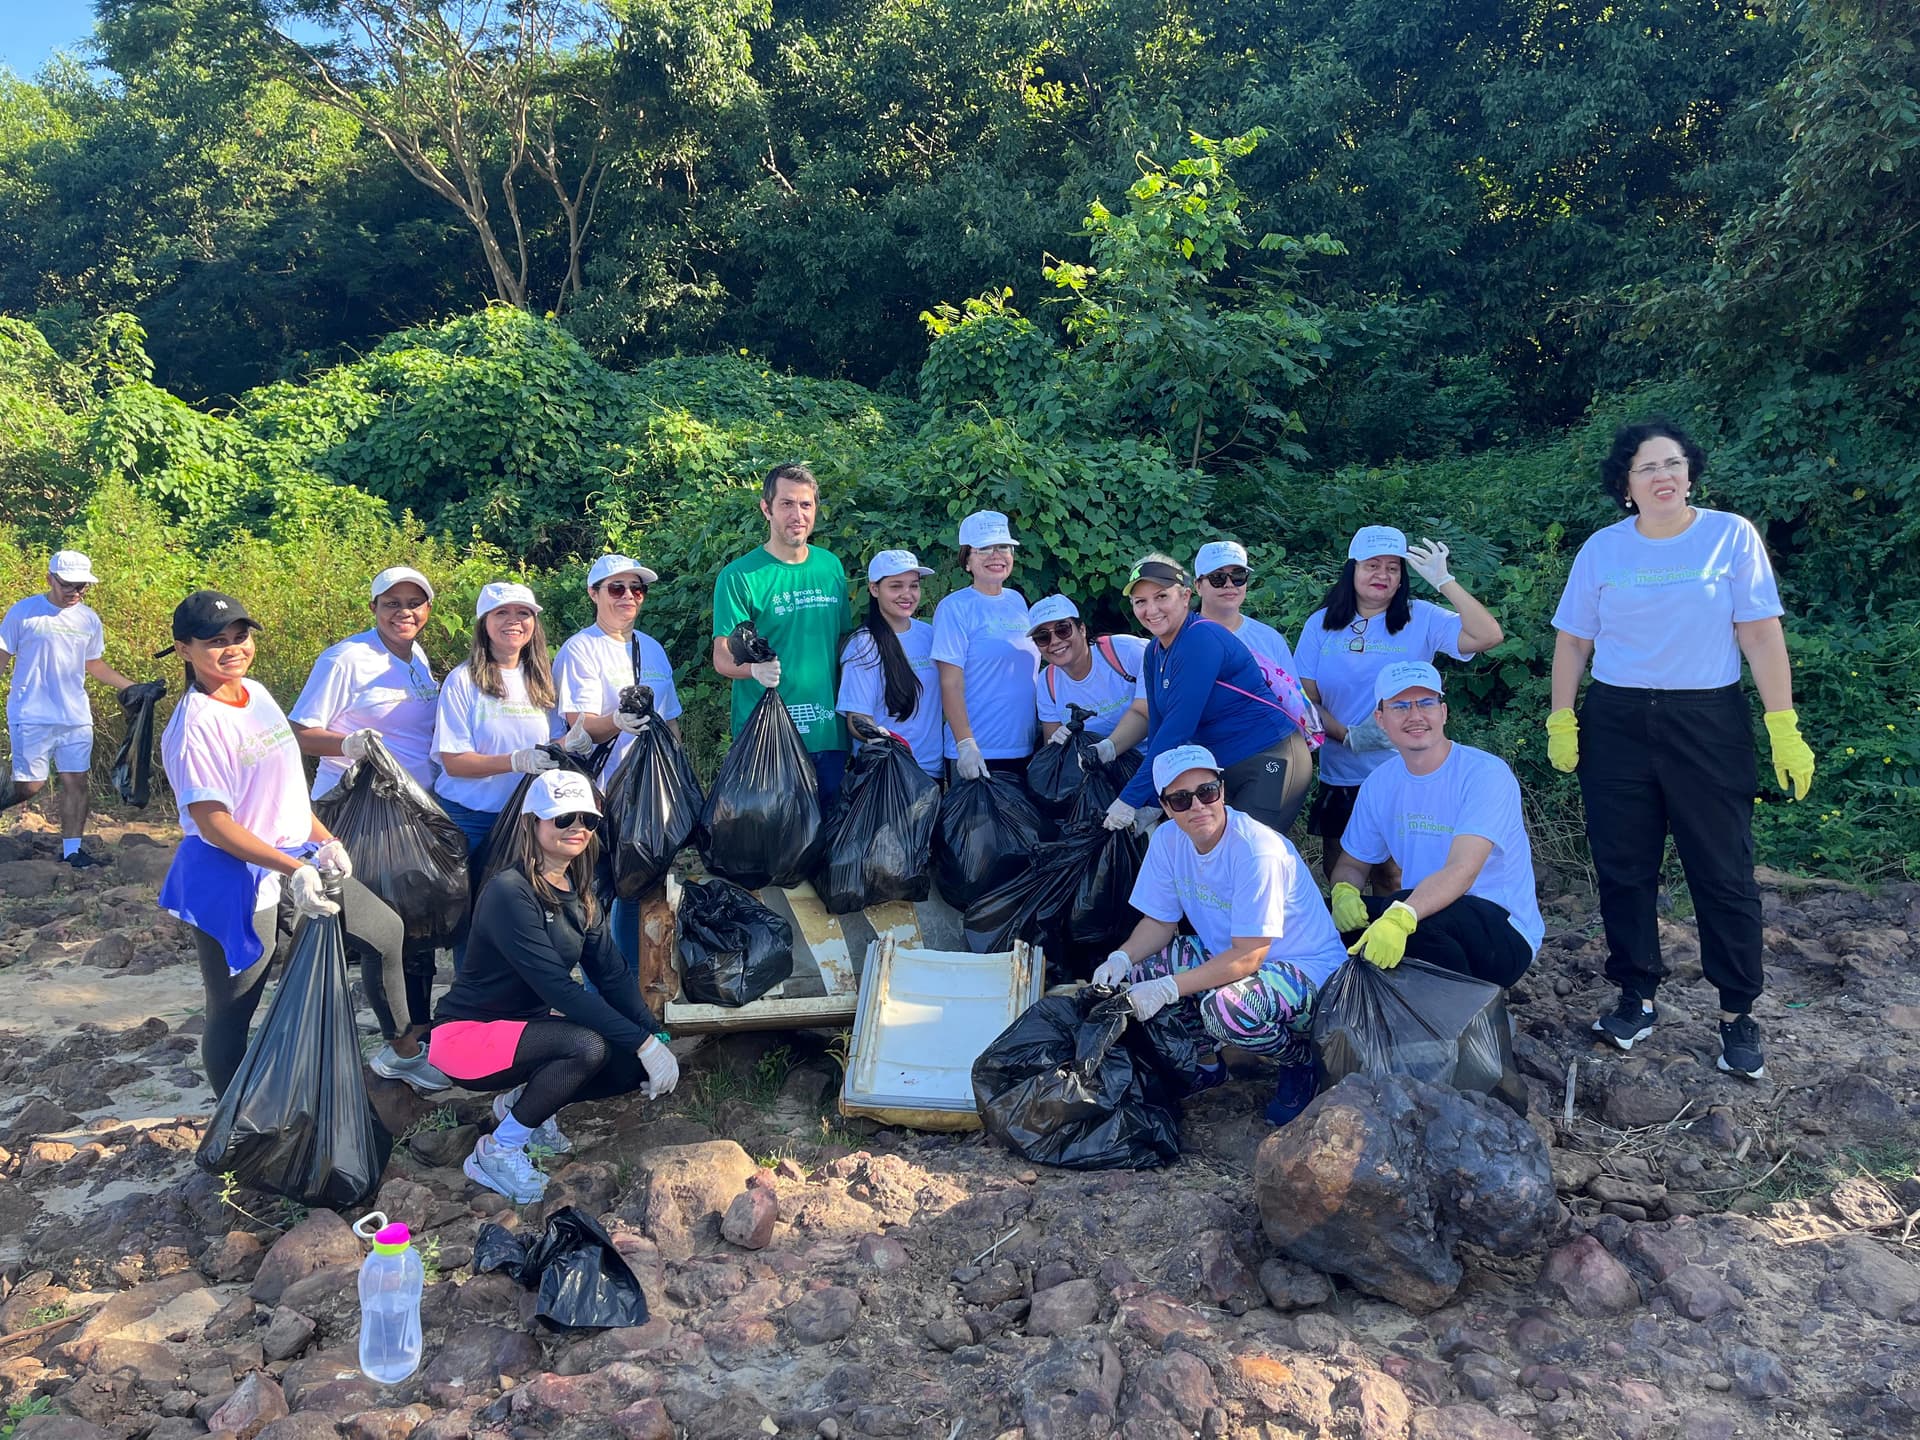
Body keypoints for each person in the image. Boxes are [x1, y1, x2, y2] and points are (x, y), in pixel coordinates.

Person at [1548, 419, 1814, 1081]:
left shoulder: (1729, 536)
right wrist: (1562, 717)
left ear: (1690, 472)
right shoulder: (1603, 551)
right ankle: (1636, 994)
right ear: (1626, 485)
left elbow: (1758, 636)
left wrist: (1783, 724)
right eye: (1646, 468)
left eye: (1673, 463)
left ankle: (1736, 1013)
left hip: (1707, 720)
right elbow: (1574, 641)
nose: (1662, 476)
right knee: (1624, 865)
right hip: (1616, 720)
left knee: (1722, 871)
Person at [154, 590, 446, 1099]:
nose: (232, 649)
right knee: (236, 1002)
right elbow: (214, 822)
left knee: (385, 933)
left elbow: (284, 790)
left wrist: (326, 840)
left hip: (299, 856)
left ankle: (401, 1052)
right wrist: (292, 869)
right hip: (233, 875)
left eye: (240, 637)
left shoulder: (257, 694)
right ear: (184, 650)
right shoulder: (194, 726)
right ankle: (235, 1119)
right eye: (215, 642)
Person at [429, 770, 681, 1205]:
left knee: (628, 1063)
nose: (578, 827)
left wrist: (654, 1039)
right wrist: (641, 1041)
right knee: (588, 1046)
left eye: (588, 819)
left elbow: (613, 975)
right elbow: (558, 990)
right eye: (563, 818)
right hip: (467, 1036)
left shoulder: (580, 893)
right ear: (532, 823)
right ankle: (499, 1149)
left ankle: (521, 1106)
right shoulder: (509, 892)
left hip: (528, 1033)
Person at [1091, 745, 1347, 1127]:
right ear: (1165, 807)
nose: (1198, 806)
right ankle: (1208, 1064)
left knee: (1225, 1007)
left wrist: (1169, 988)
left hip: (1307, 970)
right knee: (1142, 970)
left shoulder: (1257, 850)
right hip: (1231, 954)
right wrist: (1122, 958)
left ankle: (1298, 1062)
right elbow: (1159, 923)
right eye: (1181, 799)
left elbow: (1249, 957)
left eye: (1207, 792)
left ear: (1222, 791)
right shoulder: (1166, 842)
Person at [290, 565, 444, 1061]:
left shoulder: (417, 657)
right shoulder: (347, 659)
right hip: (356, 811)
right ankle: (348, 1036)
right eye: (392, 603)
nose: (404, 612)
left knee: (414, 916)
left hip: (411, 811)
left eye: (414, 602)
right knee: (371, 927)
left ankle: (415, 1029)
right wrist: (347, 743)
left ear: (428, 609)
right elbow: (301, 730)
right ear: (374, 607)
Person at [1293, 526, 1504, 883]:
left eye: (1393, 567)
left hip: (1405, 770)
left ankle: (1401, 937)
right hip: (1341, 772)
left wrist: (1445, 581)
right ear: (1353, 569)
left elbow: (1489, 635)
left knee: (1394, 874)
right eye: (1372, 565)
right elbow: (1302, 697)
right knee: (1340, 871)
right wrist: (1348, 736)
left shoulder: (1420, 617)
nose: (1383, 575)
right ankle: (1349, 939)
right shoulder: (1321, 625)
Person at [1328, 662, 1542, 987]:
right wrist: (1344, 891)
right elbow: (1351, 864)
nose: (1415, 715)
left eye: (1425, 703)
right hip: (1420, 912)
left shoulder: (1484, 774)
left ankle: (1460, 1022)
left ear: (1443, 712)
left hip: (1501, 930)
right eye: (1400, 706)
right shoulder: (1380, 783)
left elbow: (1463, 870)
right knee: (1315, 916)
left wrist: (1403, 916)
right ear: (1381, 719)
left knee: (1415, 925)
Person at [1105, 555, 1311, 837]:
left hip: (1272, 756)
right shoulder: (1154, 652)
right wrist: (1153, 798)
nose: (1151, 609)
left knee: (1251, 852)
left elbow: (1178, 729)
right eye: (1140, 601)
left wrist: (1129, 799)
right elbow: (1158, 728)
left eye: (1161, 596)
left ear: (1186, 596)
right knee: (1218, 855)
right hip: (1223, 766)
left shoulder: (1200, 639)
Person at [554, 554, 683, 970]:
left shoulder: (654, 649)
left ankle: (632, 990)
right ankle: (597, 995)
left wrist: (678, 777)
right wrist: (616, 721)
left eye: (636, 589)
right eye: (616, 588)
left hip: (649, 796)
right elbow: (578, 726)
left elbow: (672, 720)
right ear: (594, 594)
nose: (628, 596)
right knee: (593, 898)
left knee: (637, 893)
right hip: (603, 795)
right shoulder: (582, 649)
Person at [711, 464, 852, 809]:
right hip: (767, 737)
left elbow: (843, 644)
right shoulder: (740, 576)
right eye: (787, 504)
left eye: (806, 505)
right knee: (774, 849)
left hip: (828, 731)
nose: (798, 515)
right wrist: (753, 670)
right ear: (766, 508)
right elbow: (722, 657)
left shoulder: (830, 567)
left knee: (827, 844)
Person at [0, 551, 141, 867]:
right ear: (50, 578)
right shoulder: (24, 613)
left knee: (76, 781)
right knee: (30, 785)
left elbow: (94, 664)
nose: (75, 592)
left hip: (75, 715)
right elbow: (2, 656)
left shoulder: (88, 619)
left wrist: (131, 687)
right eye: (68, 585)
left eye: (82, 586)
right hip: (31, 713)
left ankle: (72, 852)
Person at [431, 581, 573, 869]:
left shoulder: (542, 680)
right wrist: (515, 761)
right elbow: (454, 762)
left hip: (526, 819)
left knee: (515, 908)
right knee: (465, 910)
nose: (513, 621)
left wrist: (570, 744)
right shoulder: (462, 681)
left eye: (523, 612)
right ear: (484, 623)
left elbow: (548, 748)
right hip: (469, 821)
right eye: (501, 613)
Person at [933, 511, 1040, 783]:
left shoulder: (1018, 601)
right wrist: (966, 743)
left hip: (1025, 748)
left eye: (1003, 547)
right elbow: (950, 683)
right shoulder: (954, 608)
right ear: (967, 560)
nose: (996, 555)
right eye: (984, 549)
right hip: (979, 753)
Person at [837, 549, 946, 779]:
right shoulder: (862, 646)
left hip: (929, 770)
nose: (907, 594)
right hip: (886, 773)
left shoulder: (929, 635)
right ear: (874, 589)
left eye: (914, 585)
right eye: (896, 586)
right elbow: (857, 718)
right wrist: (879, 737)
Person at [1030, 594, 1147, 754]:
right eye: (1042, 637)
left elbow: (1151, 712)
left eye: (1062, 630)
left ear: (1082, 629)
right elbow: (1052, 752)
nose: (1055, 641)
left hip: (1153, 758)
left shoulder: (1126, 651)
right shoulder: (1047, 682)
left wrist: (1106, 750)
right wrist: (1058, 742)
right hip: (1094, 770)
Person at [1192, 540, 1299, 677]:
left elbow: (1293, 696)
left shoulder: (1269, 639)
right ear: (1198, 586)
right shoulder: (1178, 639)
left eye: (1238, 576)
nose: (1229, 584)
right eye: (1218, 577)